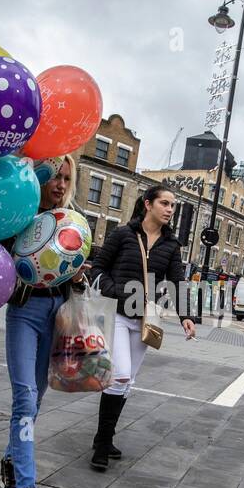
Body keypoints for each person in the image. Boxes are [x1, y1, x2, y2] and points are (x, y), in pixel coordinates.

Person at [0, 155, 87, 488]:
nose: (60, 184)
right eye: (54, 176)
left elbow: (81, 267)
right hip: (24, 311)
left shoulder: (71, 220)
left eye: (67, 178)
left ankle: (9, 461)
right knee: (24, 396)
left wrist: (79, 274)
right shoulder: (19, 217)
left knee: (36, 401)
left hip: (58, 311)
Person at [88, 184, 196, 470]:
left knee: (129, 381)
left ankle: (106, 436)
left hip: (148, 319)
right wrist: (116, 290)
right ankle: (100, 443)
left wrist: (187, 316)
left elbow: (176, 281)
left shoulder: (171, 246)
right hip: (119, 316)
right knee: (120, 374)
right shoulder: (123, 235)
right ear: (148, 204)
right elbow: (98, 268)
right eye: (165, 203)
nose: (170, 210)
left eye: (173, 205)